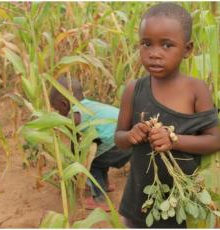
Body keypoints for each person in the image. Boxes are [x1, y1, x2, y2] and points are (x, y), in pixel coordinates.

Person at [115, 3, 220, 228]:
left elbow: (215, 139)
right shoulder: (134, 89)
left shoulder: (196, 90)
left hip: (183, 203)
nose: (154, 54)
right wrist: (131, 135)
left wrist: (173, 140)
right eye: (146, 44)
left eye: (166, 45)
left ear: (187, 49)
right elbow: (119, 138)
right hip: (140, 202)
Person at [49, 76, 131, 212]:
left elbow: (72, 123)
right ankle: (104, 185)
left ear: (64, 104)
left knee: (91, 163)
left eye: (58, 111)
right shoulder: (90, 105)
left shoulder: (74, 112)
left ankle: (98, 198)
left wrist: (54, 123)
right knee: (99, 159)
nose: (58, 114)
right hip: (128, 137)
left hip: (116, 142)